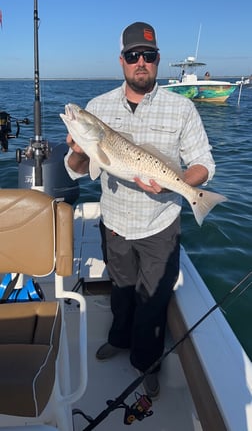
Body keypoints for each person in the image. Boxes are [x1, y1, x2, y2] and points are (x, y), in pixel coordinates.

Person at [64, 21, 215, 398]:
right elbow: (79, 170)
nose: (141, 62)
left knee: (153, 301)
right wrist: (80, 149)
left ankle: (145, 363)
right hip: (115, 222)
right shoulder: (97, 109)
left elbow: (203, 164)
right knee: (122, 290)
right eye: (133, 56)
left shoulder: (182, 109)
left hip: (160, 225)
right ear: (122, 61)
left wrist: (182, 184)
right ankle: (119, 339)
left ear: (158, 60)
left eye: (148, 55)